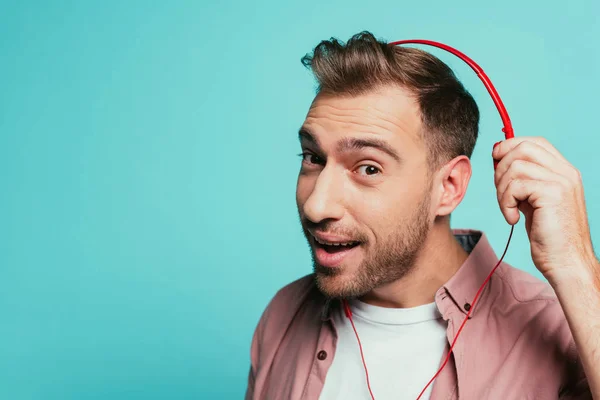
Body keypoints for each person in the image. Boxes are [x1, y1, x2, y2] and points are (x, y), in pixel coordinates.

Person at [244, 31, 600, 400]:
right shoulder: (282, 315)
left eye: (367, 169)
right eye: (313, 158)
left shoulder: (563, 330)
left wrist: (576, 267)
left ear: (448, 186)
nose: (317, 206)